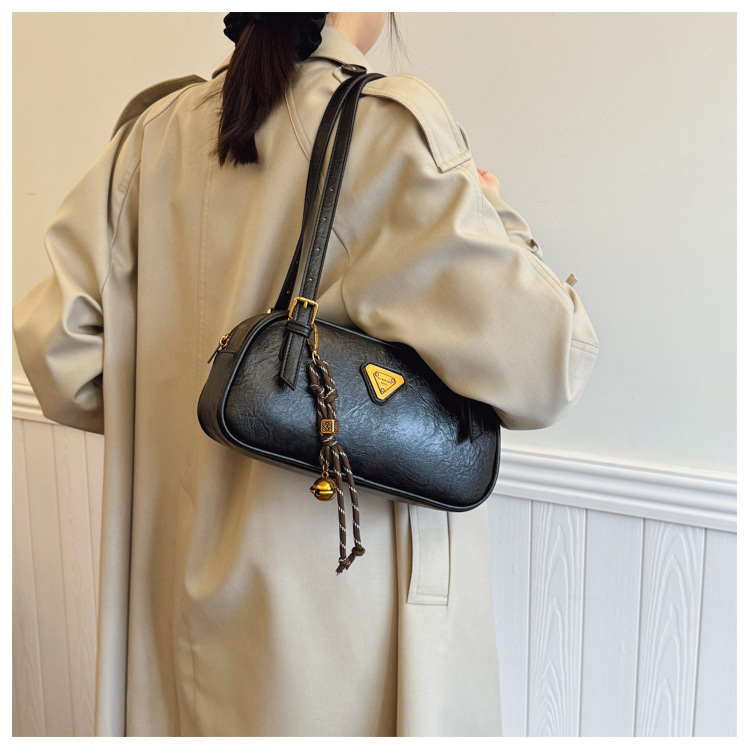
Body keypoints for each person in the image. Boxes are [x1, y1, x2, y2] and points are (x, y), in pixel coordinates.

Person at [12, 12, 599, 737]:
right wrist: (494, 210)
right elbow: (551, 363)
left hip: (176, 609)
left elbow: (64, 356)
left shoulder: (152, 136)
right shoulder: (384, 130)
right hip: (342, 625)